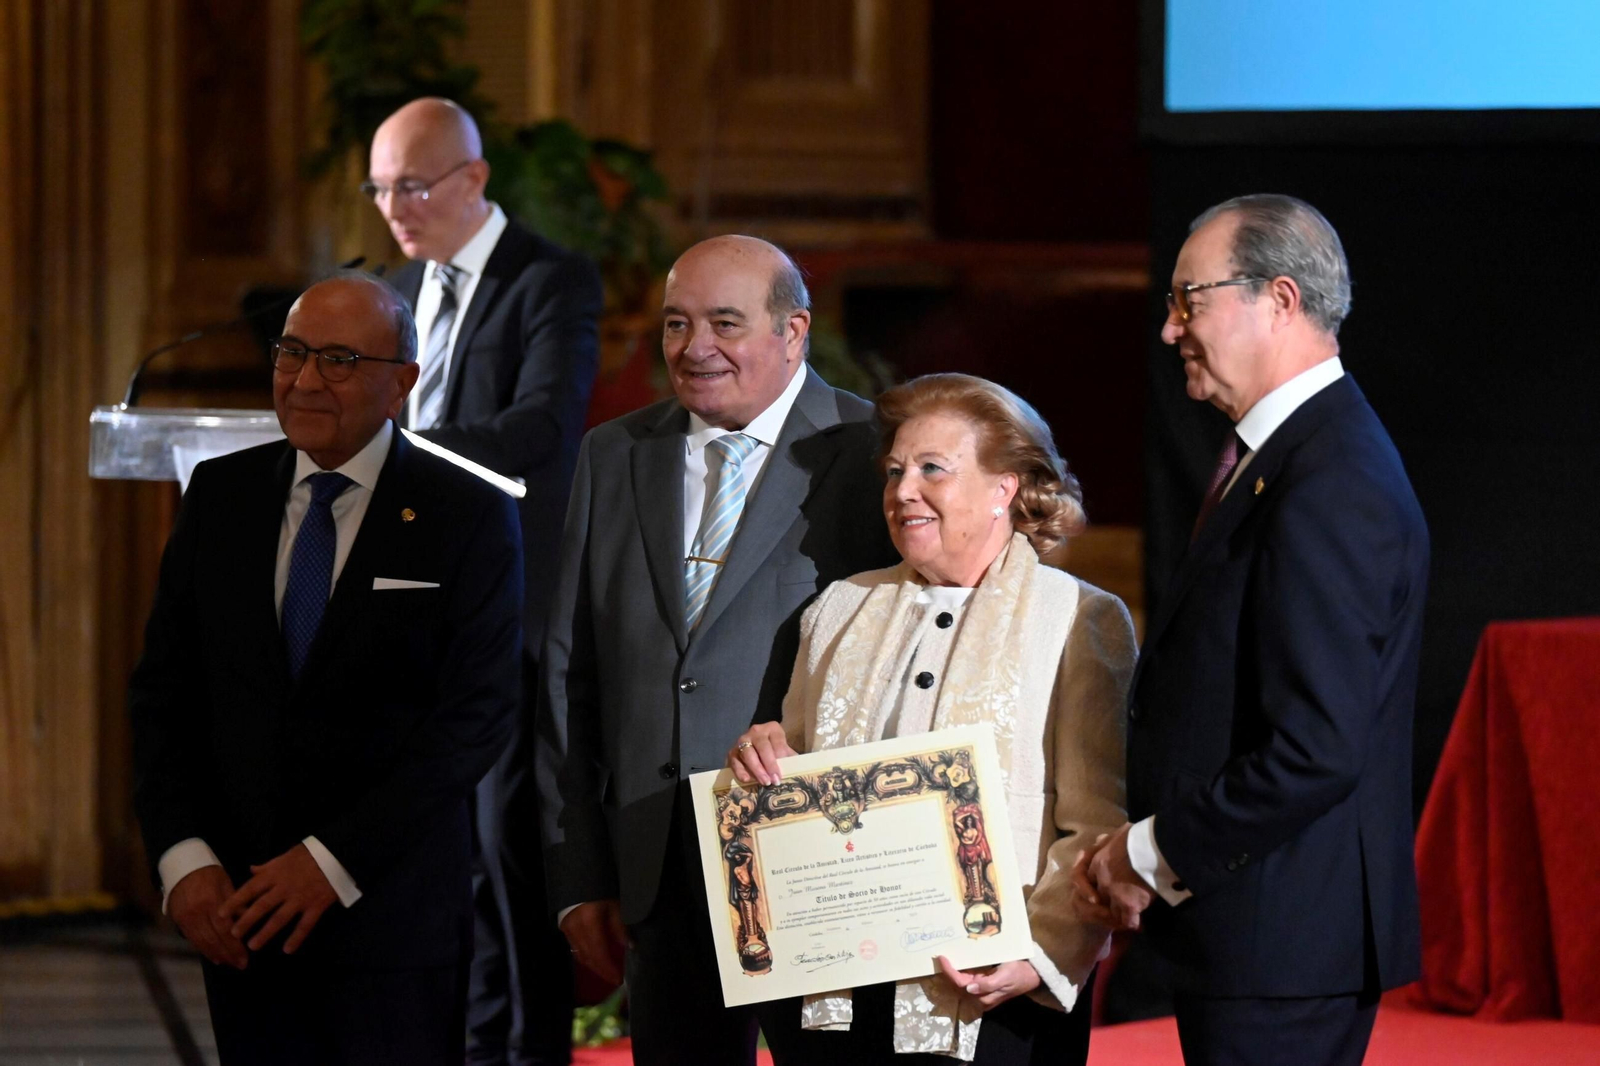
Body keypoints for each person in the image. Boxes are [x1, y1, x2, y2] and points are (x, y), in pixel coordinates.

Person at [128, 273, 522, 1065]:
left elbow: (473, 718)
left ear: (402, 383)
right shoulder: (221, 494)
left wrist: (330, 862)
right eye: (292, 353)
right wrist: (184, 859)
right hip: (241, 915)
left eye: (339, 359)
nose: (305, 379)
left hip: (391, 922)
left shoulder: (465, 513)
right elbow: (164, 693)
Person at [1073, 194, 1429, 1066]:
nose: (1170, 330)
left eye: (1188, 300)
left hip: (1286, 943)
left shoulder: (1330, 477)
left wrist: (1148, 852)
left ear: (1278, 299)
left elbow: (1315, 748)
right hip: (1264, 932)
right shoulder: (1292, 455)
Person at [536, 235, 898, 1065]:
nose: (694, 348)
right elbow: (571, 679)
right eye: (676, 323)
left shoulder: (872, 453)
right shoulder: (613, 453)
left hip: (814, 866)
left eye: (725, 323)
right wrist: (579, 875)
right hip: (657, 878)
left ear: (794, 331)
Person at [728, 373, 1137, 1065]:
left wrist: (1040, 957)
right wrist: (764, 758)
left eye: (931, 470)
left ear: (1005, 486)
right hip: (840, 996)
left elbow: (1097, 820)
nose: (902, 490)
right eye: (894, 471)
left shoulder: (1075, 616)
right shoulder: (837, 610)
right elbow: (796, 787)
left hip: (994, 997)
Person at [368, 97, 602, 1066]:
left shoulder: (548, 281)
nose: (394, 208)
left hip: (512, 608)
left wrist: (393, 447)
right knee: (431, 857)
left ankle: (524, 1051)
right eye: (380, 189)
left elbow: (540, 428)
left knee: (508, 853)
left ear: (473, 179)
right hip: (406, 612)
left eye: (413, 186)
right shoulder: (386, 286)